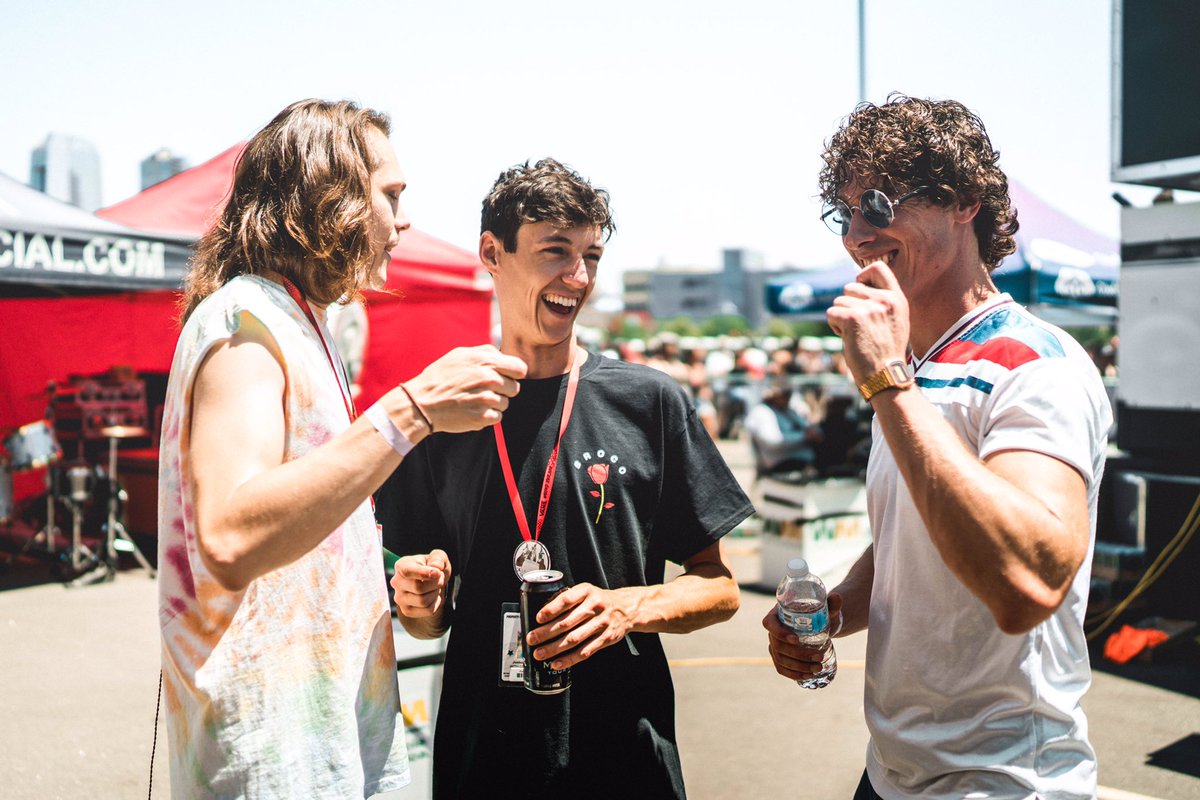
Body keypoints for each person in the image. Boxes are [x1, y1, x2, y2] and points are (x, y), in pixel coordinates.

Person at [157, 98, 527, 799]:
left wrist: (383, 571)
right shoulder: (245, 320)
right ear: (330, 200)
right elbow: (231, 537)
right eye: (391, 195)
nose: (404, 220)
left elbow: (300, 516)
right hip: (273, 756)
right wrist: (412, 409)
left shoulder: (301, 321)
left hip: (319, 743)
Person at [763, 95, 1112, 800]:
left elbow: (1028, 586)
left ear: (964, 202)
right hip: (892, 771)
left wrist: (887, 384)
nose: (857, 234)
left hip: (1002, 778)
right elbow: (918, 530)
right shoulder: (918, 370)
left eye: (879, 204)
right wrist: (837, 608)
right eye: (845, 212)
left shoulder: (1032, 365)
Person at [376, 158, 752, 799]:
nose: (578, 278)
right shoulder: (440, 404)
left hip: (624, 755)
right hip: (484, 756)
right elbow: (427, 621)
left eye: (591, 257)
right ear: (492, 253)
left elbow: (719, 587)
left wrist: (628, 608)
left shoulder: (649, 401)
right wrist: (422, 603)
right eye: (555, 251)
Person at [743, 378, 821, 476]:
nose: (787, 397)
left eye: (788, 394)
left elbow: (808, 428)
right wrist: (804, 437)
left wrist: (813, 434)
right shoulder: (761, 412)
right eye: (783, 394)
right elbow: (773, 441)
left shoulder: (788, 411)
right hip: (780, 463)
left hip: (804, 458)